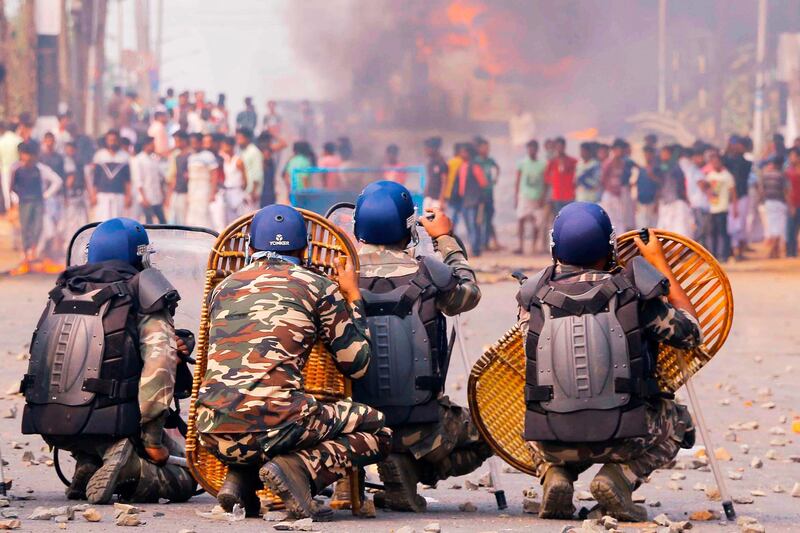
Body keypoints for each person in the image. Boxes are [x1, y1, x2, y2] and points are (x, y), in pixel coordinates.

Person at [196, 204, 390, 519]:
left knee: (264, 413)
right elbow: (358, 364)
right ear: (304, 249)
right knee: (377, 430)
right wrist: (353, 296)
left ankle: (241, 477)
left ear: (250, 247)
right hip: (275, 423)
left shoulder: (222, 289)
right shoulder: (318, 287)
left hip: (212, 430)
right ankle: (298, 470)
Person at [518, 202, 700, 522]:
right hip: (623, 435)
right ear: (610, 248)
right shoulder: (634, 296)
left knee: (536, 401)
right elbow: (691, 333)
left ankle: (554, 476)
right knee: (679, 420)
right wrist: (658, 262)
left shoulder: (531, 298)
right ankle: (618, 478)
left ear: (555, 248)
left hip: (549, 438)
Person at [20, 218, 196, 503]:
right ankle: (131, 467)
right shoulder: (141, 290)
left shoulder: (65, 288)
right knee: (185, 480)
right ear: (139, 255)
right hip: (112, 421)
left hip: (53, 427)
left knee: (100, 434)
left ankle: (88, 462)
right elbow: (160, 363)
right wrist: (152, 439)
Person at [351, 181, 491, 512]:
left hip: (357, 426)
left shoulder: (339, 273)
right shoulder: (429, 272)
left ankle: (395, 470)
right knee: (490, 433)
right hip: (423, 423)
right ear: (408, 227)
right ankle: (411, 468)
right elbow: (468, 294)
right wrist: (444, 238)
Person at [8, 142, 62, 273]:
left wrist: (45, 195)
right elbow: (10, 187)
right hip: (23, 203)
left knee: (38, 228)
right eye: (24, 155)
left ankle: (33, 254)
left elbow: (58, 181)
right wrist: (14, 200)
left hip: (38, 202)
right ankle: (26, 256)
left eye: (29, 155)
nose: (26, 158)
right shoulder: (16, 169)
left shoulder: (41, 169)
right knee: (25, 228)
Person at [451, 143, 488, 257]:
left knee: (473, 225)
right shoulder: (462, 167)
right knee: (468, 225)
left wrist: (480, 199)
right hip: (464, 200)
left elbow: (483, 183)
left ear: (468, 153)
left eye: (463, 152)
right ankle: (473, 247)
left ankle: (475, 248)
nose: (461, 154)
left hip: (473, 201)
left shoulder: (474, 167)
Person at [89, 129, 131, 221]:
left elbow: (127, 179)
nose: (112, 142)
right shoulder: (99, 156)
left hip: (119, 195)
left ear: (118, 141)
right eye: (110, 140)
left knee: (117, 222)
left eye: (114, 140)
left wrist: (128, 196)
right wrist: (93, 195)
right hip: (102, 195)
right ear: (106, 141)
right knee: (102, 222)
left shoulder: (124, 156)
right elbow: (95, 178)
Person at [514, 139, 547, 255]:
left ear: (537, 150)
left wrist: (543, 197)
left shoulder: (542, 164)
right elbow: (517, 180)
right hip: (524, 195)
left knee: (536, 222)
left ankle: (533, 246)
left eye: (533, 148)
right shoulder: (522, 163)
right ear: (527, 150)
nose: (531, 150)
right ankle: (520, 245)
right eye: (529, 148)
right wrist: (516, 196)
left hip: (537, 196)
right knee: (521, 219)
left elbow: (545, 182)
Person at [723, 136, 752, 260]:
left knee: (741, 225)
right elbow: (723, 160)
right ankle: (731, 250)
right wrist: (729, 147)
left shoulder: (747, 162)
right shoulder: (727, 161)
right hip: (730, 197)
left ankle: (739, 251)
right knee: (731, 225)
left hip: (742, 196)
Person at [705, 150, 737, 262]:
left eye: (717, 162)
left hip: (723, 207)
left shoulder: (727, 176)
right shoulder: (709, 176)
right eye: (713, 162)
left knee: (723, 232)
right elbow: (707, 189)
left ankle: (725, 255)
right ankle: (713, 255)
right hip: (712, 208)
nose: (715, 164)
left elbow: (733, 192)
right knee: (712, 233)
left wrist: (735, 207)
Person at [655, 145, 692, 236]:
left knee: (677, 228)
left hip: (675, 202)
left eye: (664, 153)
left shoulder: (674, 166)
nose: (662, 155)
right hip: (666, 201)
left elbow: (681, 184)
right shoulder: (665, 167)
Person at [758, 156, 790, 258]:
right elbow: (786, 190)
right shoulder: (781, 176)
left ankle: (774, 251)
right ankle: (774, 250)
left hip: (769, 203)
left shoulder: (765, 175)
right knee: (779, 227)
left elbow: (761, 190)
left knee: (772, 227)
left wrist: (761, 200)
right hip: (780, 202)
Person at [185, 133, 219, 228]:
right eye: (192, 143)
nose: (193, 145)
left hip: (204, 189)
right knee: (192, 217)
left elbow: (214, 175)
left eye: (195, 143)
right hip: (192, 189)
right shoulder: (191, 157)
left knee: (203, 216)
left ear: (201, 143)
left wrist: (212, 193)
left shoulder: (208, 156)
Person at [680, 147, 711, 248]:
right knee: (701, 228)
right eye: (699, 157)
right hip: (699, 203)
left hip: (696, 202)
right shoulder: (695, 170)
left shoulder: (691, 169)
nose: (701, 159)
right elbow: (701, 185)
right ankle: (695, 249)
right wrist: (709, 185)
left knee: (700, 227)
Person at [131, 136, 166, 224]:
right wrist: (143, 198)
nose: (154, 146)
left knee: (163, 221)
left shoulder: (154, 159)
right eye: (152, 144)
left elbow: (160, 177)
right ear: (146, 145)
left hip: (156, 196)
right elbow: (138, 181)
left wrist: (163, 193)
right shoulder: (138, 160)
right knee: (149, 223)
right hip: (146, 197)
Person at [474, 136, 501, 251]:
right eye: (484, 148)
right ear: (479, 149)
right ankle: (478, 242)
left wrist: (495, 178)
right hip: (479, 195)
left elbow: (497, 168)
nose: (486, 150)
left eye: (487, 148)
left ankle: (486, 243)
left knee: (489, 218)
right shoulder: (476, 161)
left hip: (489, 193)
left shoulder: (490, 160)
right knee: (479, 219)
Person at [219, 136, 248, 225]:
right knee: (229, 220)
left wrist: (242, 193)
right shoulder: (226, 160)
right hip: (228, 192)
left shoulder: (238, 161)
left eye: (224, 146)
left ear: (230, 146)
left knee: (239, 218)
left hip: (237, 191)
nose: (222, 148)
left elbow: (245, 179)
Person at [544, 137, 577, 214]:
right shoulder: (552, 162)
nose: (560, 148)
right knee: (559, 219)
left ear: (564, 146)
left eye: (561, 146)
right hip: (557, 196)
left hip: (569, 196)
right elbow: (546, 177)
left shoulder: (572, 161)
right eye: (558, 146)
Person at [166, 130, 190, 224]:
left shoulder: (190, 156)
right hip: (176, 192)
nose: (176, 143)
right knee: (174, 219)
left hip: (186, 193)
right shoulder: (177, 156)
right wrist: (169, 195)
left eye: (178, 141)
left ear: (184, 141)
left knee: (184, 220)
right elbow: (174, 176)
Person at [236, 127, 263, 207]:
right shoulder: (243, 151)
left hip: (252, 192)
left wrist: (254, 192)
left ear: (247, 138)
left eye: (240, 138)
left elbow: (257, 173)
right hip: (244, 191)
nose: (238, 141)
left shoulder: (254, 152)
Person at [635, 146, 659, 228]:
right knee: (642, 227)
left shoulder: (657, 169)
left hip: (652, 201)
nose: (647, 156)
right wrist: (636, 202)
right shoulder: (642, 169)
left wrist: (656, 203)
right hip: (641, 201)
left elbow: (659, 186)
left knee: (652, 227)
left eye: (649, 154)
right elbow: (638, 186)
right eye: (646, 154)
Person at [423, 136, 447, 210]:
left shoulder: (441, 162)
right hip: (429, 196)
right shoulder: (430, 162)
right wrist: (426, 190)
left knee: (435, 220)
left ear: (434, 149)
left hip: (437, 199)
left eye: (427, 149)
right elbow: (429, 178)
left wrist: (442, 199)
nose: (426, 150)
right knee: (426, 220)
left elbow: (444, 181)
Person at [785, 147, 800, 257]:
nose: (791, 158)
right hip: (792, 203)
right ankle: (791, 251)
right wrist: (790, 204)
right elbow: (786, 190)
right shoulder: (788, 171)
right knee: (791, 228)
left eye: (793, 156)